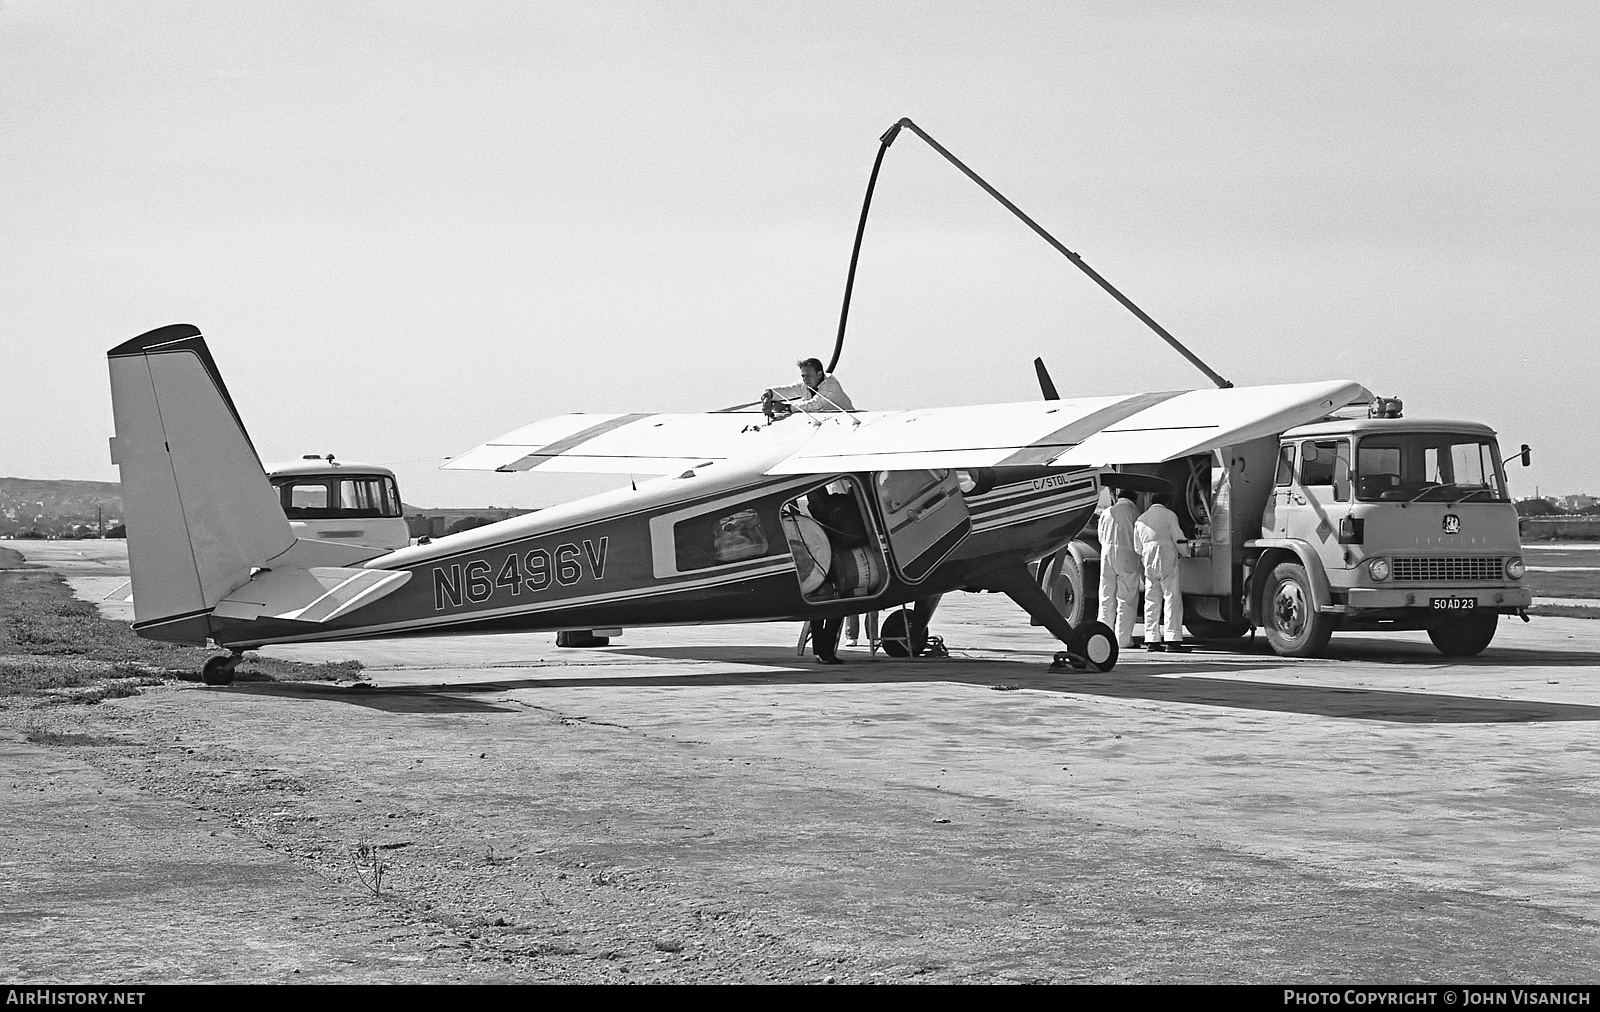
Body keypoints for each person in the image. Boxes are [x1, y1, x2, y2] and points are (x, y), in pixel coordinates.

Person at [1134, 491, 1190, 652]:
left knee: (1151, 599)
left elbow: (1137, 547)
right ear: (1167, 501)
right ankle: (1172, 639)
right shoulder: (1169, 515)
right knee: (1171, 597)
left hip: (1148, 559)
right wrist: (1186, 552)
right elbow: (1177, 537)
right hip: (1166, 556)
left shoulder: (1141, 519)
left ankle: (1152, 640)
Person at [1096, 488, 1141, 649]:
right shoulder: (1134, 513)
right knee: (1126, 599)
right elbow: (1138, 537)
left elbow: (1100, 537)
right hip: (1127, 556)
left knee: (1106, 596)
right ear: (1134, 499)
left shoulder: (1107, 512)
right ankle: (1123, 640)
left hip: (1107, 556)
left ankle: (1103, 636)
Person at [763, 358, 855, 416]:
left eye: (808, 376)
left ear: (819, 374)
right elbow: (789, 390)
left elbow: (816, 404)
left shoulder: (830, 384)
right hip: (825, 422)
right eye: (803, 376)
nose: (805, 379)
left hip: (846, 421)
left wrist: (786, 408)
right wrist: (769, 394)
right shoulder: (805, 384)